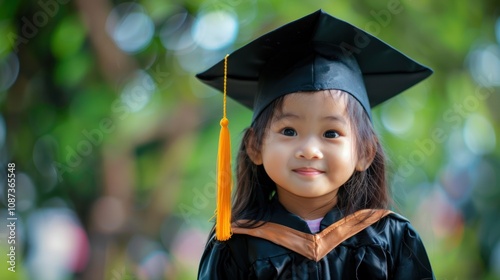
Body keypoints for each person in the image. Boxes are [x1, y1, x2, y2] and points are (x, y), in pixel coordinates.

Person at [196, 9, 435, 279]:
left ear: (365, 152)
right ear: (255, 145)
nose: (309, 150)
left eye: (331, 133)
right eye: (289, 131)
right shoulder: (236, 246)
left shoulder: (392, 239)